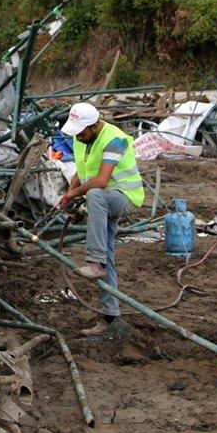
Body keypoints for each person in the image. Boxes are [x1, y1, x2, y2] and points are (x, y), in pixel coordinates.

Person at [58, 102, 145, 336]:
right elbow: (83, 171)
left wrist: (75, 193)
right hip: (103, 202)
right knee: (108, 256)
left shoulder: (114, 139)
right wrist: (69, 192)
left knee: (95, 193)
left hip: (124, 198)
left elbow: (101, 181)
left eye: (82, 132)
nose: (79, 136)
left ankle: (95, 262)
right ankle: (110, 317)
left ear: (95, 126)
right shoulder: (81, 137)